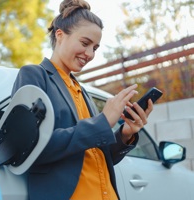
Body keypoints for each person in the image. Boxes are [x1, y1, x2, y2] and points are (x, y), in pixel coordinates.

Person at [11, 0, 154, 199]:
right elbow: (30, 148)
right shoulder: (34, 75)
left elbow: (97, 155)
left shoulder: (82, 91)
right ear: (60, 35)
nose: (90, 54)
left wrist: (125, 134)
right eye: (85, 43)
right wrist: (103, 122)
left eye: (95, 48)